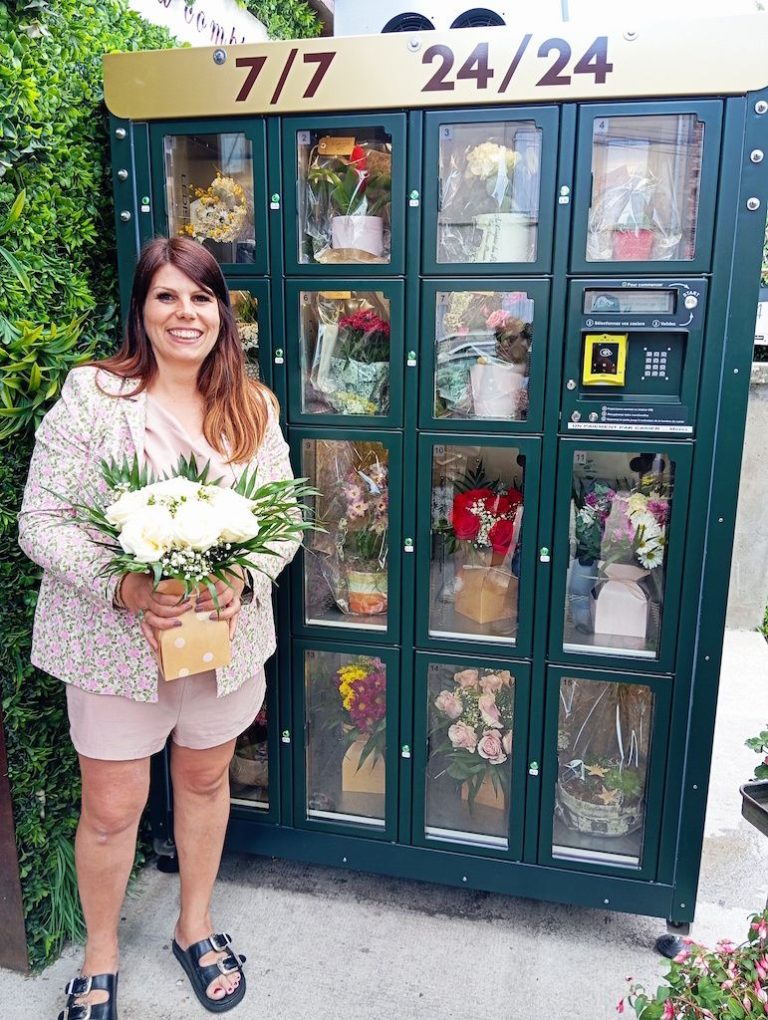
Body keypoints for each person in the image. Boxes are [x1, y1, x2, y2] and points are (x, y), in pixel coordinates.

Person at [18, 237, 300, 1018]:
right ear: (142, 309)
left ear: (222, 312)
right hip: (116, 649)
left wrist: (243, 575)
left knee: (208, 781)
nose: (186, 313)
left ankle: (194, 927)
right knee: (111, 810)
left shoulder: (253, 405)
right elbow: (40, 522)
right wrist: (128, 585)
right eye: (167, 296)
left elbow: (284, 522)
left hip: (223, 644)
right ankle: (101, 955)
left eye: (201, 297)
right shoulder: (93, 397)